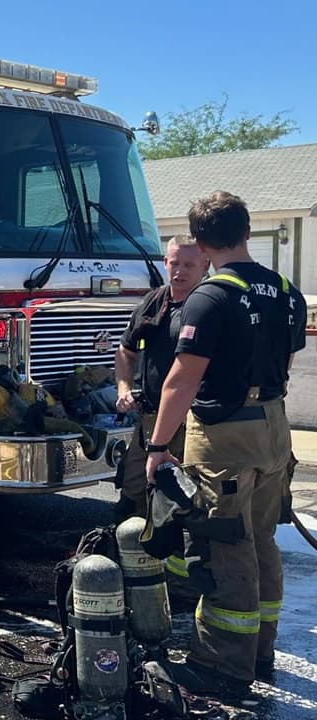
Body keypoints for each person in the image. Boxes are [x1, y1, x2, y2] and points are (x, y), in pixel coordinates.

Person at [145, 191, 307, 698]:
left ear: (199, 241)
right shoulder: (288, 292)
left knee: (225, 542)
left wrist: (157, 447)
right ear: (247, 230)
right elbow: (282, 365)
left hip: (224, 434)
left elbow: (182, 379)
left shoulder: (211, 296)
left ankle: (222, 664)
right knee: (262, 538)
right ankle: (259, 649)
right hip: (273, 426)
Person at [113, 235, 210, 522]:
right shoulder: (153, 302)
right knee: (133, 494)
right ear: (165, 263)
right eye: (175, 263)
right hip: (150, 419)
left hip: (194, 422)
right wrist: (123, 388)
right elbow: (125, 351)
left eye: (189, 265)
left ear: (205, 266)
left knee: (183, 500)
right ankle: (133, 547)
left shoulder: (209, 306)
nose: (179, 271)